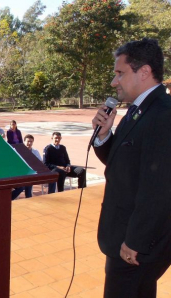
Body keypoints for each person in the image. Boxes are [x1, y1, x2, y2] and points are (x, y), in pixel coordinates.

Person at [91, 38, 171, 297]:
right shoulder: (139, 109)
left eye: (120, 73)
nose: (114, 82)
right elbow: (123, 164)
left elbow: (159, 188)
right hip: (125, 235)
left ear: (144, 72)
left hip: (136, 244)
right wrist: (104, 135)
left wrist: (135, 240)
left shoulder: (163, 114)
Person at [11, 135, 43, 199]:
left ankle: (28, 197)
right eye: (28, 141)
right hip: (18, 174)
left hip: (30, 173)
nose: (29, 143)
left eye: (31, 142)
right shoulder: (17, 150)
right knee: (21, 187)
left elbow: (40, 162)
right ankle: (8, 199)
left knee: (29, 182)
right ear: (24, 142)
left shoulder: (35, 151)